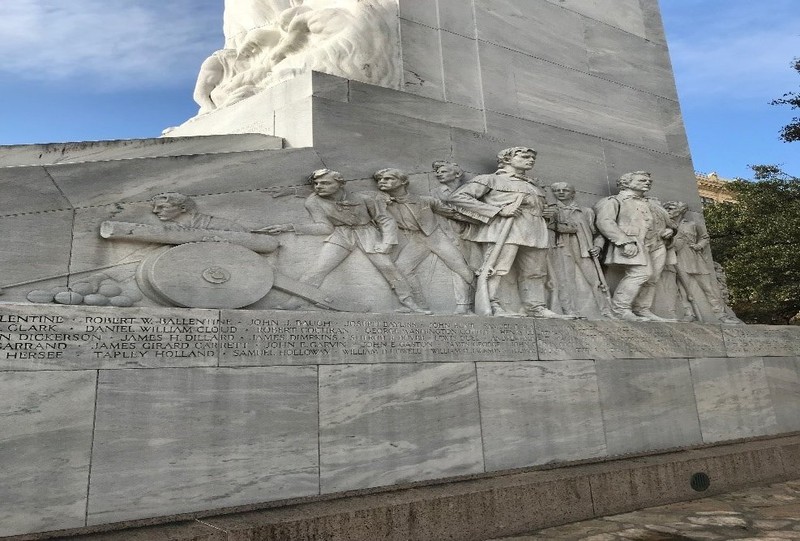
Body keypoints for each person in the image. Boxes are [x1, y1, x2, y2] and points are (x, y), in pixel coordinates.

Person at [256, 168, 427, 312]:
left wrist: (387, 242)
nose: (318, 187)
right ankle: (298, 300)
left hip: (367, 233)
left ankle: (408, 302)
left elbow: (385, 219)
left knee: (388, 267)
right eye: (316, 184)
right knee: (318, 269)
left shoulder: (364, 198)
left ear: (340, 184)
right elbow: (324, 227)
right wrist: (289, 227)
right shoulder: (313, 202)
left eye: (325, 183)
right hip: (341, 234)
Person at [448, 147, 573, 318]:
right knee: (497, 269)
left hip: (535, 232)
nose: (531, 160)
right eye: (525, 156)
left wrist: (547, 214)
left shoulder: (534, 186)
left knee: (535, 271)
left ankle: (535, 306)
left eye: (532, 158)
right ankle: (493, 304)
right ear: (507, 159)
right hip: (505, 231)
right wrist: (497, 210)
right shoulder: (489, 179)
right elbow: (458, 198)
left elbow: (539, 208)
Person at [373, 168, 475, 314]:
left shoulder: (425, 201)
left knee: (461, 268)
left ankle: (466, 305)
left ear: (403, 182)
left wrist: (482, 220)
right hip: (416, 239)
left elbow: (453, 213)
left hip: (436, 236)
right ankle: (420, 305)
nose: (382, 182)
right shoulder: (381, 203)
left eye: (388, 179)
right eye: (379, 180)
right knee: (402, 268)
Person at [594, 171, 677, 322]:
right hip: (633, 242)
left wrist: (670, 230)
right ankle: (620, 308)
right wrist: (624, 241)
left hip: (657, 244)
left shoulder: (653, 204)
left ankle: (642, 308)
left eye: (649, 181)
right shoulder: (614, 201)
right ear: (627, 182)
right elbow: (605, 222)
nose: (647, 182)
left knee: (652, 278)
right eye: (642, 180)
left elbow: (671, 223)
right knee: (641, 273)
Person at [663, 201, 739, 323]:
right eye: (667, 209)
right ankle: (689, 313)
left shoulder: (692, 224)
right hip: (678, 259)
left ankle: (720, 315)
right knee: (683, 289)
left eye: (671, 208)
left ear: (680, 210)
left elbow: (704, 237)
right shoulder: (668, 226)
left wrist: (699, 245)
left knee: (708, 289)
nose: (668, 211)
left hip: (695, 259)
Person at [549, 182, 613, 318]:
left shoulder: (586, 211)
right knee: (565, 281)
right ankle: (569, 310)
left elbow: (597, 233)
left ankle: (605, 310)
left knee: (596, 281)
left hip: (585, 249)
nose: (560, 192)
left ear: (573, 193)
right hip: (561, 249)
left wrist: (598, 246)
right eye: (556, 190)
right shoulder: (551, 210)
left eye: (565, 190)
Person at [151, 192, 245, 231]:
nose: (155, 211)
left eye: (163, 207)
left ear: (183, 208)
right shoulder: (173, 228)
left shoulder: (223, 225)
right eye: (155, 207)